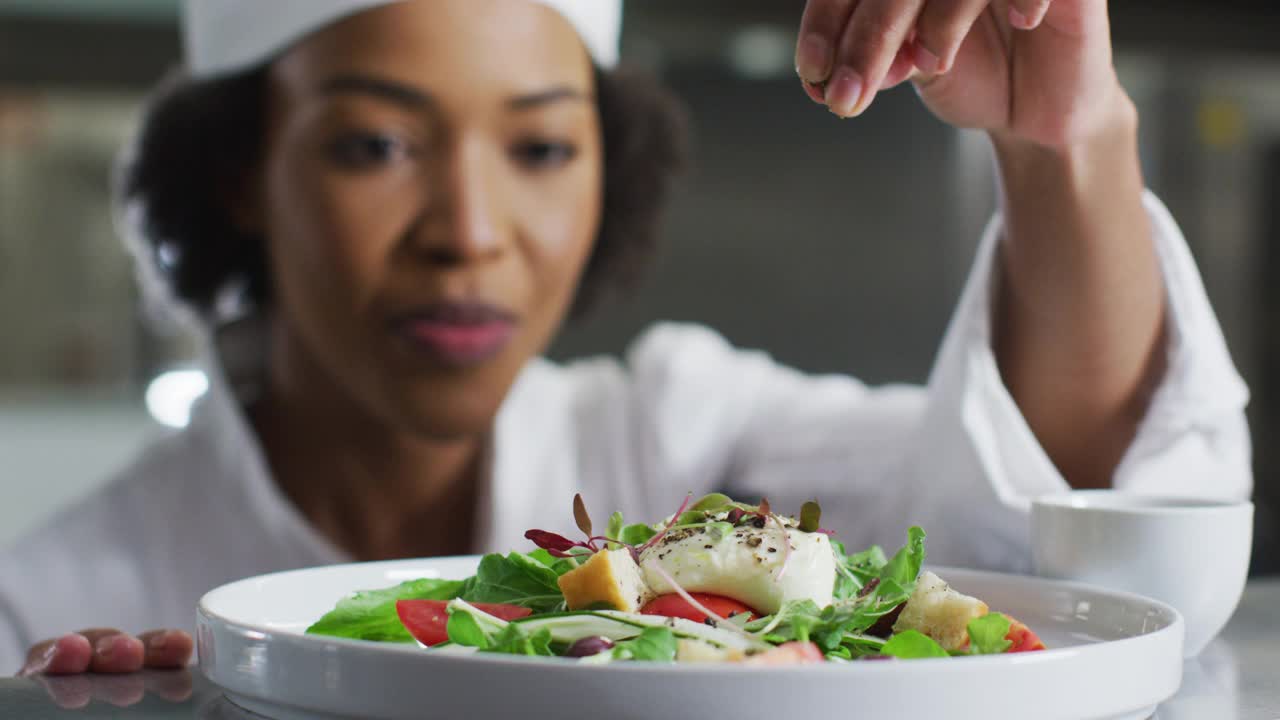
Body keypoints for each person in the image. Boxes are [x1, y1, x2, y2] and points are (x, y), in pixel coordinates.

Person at [3, 0, 1250, 677]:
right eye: (375, 145)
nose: (471, 232)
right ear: (238, 173)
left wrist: (1056, 145)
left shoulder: (680, 429)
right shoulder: (51, 602)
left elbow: (1069, 517)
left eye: (541, 146)